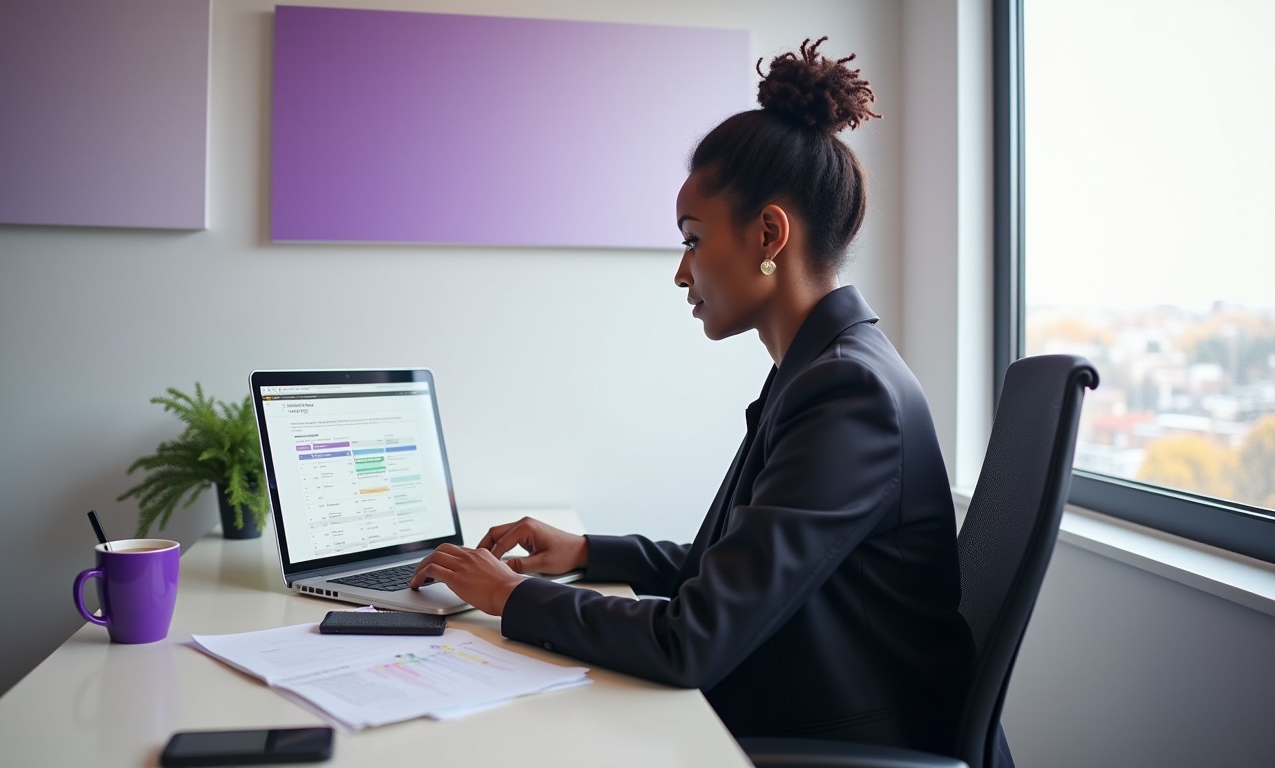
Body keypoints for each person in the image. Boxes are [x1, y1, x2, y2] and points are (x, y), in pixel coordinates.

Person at [409, 37, 976, 757]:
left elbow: (692, 641)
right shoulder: (822, 368)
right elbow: (735, 564)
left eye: (693, 239)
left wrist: (507, 595)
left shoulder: (846, 392)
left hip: (826, 734)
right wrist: (587, 549)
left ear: (770, 234)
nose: (682, 273)